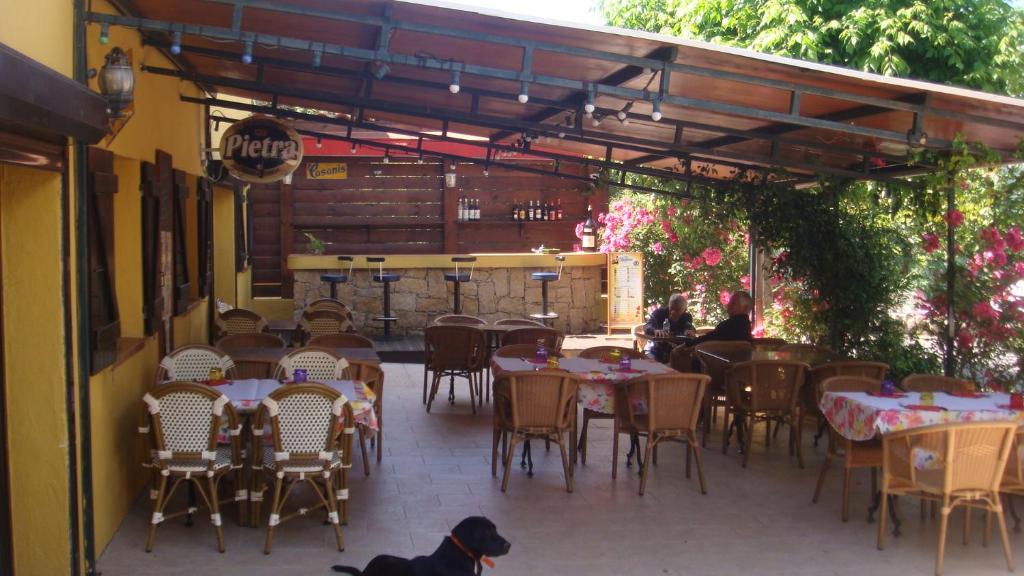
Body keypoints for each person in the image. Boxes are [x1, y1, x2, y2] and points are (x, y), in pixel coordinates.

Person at [687, 290, 753, 346]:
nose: (729, 305)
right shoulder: (746, 327)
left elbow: (709, 339)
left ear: (745, 308)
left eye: (733, 303)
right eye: (730, 303)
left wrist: (688, 343)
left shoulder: (731, 325)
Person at [644, 293, 696, 362]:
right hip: (655, 349)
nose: (673, 312)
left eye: (677, 309)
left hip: (677, 350)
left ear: (684, 309)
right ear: (669, 305)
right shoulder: (659, 313)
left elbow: (690, 327)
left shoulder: (686, 317)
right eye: (671, 308)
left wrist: (690, 331)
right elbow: (647, 326)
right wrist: (655, 330)